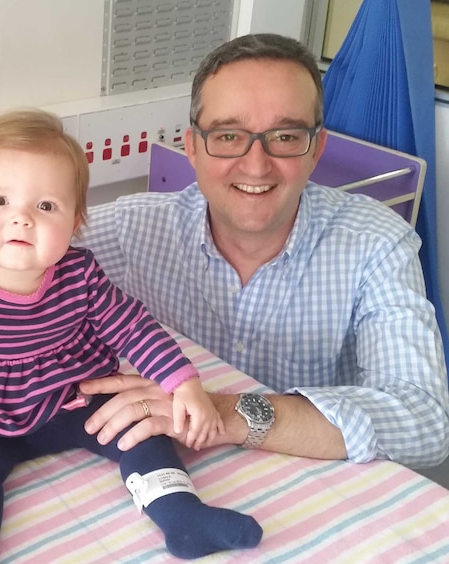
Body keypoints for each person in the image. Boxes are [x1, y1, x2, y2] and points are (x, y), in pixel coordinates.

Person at [0, 110, 263, 564]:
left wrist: (183, 383)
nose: (21, 219)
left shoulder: (79, 274)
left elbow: (131, 326)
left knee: (141, 431)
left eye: (45, 206)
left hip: (77, 399)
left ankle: (182, 517)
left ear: (75, 222)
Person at [73, 33, 449, 470]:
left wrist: (227, 413)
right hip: (181, 475)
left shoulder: (376, 243)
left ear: (316, 148)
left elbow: (426, 423)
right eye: (229, 135)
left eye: (286, 136)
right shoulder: (132, 228)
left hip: (314, 493)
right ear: (192, 147)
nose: (256, 164)